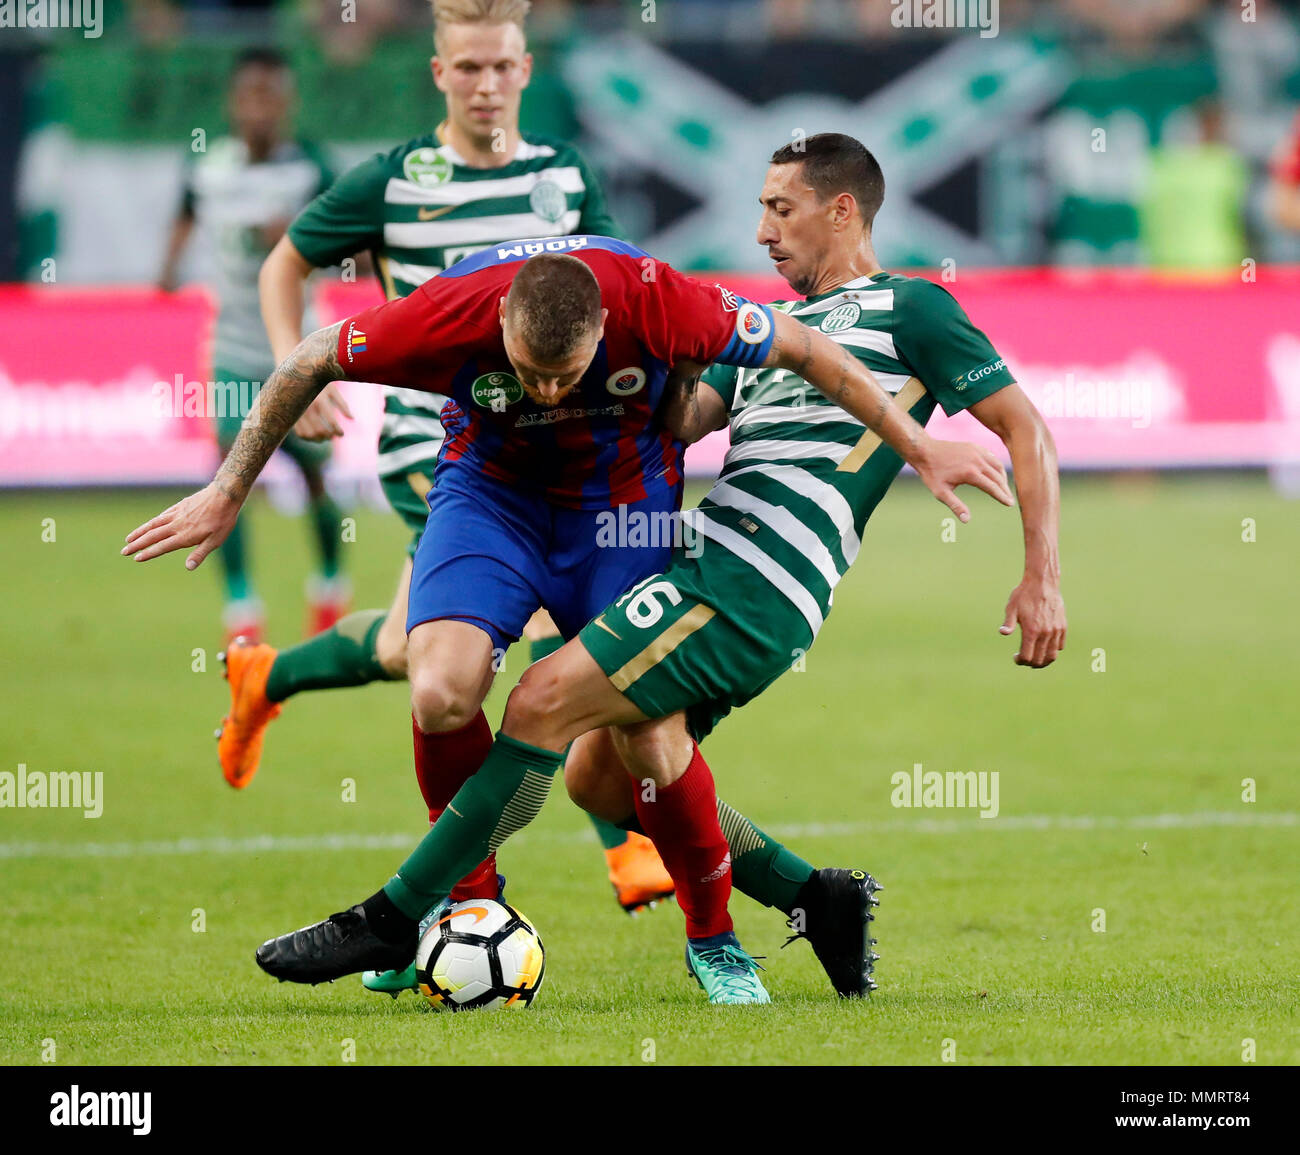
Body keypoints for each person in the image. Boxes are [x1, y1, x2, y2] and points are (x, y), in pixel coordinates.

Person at [239, 133, 1064, 1005]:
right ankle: (814, 895)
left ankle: (397, 912)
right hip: (703, 552)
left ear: (843, 208)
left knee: (537, 701)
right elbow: (683, 418)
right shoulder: (771, 328)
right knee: (608, 773)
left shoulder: (913, 306)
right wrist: (656, 354)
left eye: (779, 209)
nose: (761, 232)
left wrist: (1038, 570)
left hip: (757, 578)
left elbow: (1027, 429)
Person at [228, 0, 674, 913]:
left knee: (408, 649)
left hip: (550, 438)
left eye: (502, 67)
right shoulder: (393, 181)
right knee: (551, 626)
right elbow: (287, 262)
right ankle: (624, 845)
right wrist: (297, 369)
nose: (486, 86)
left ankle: (266, 674)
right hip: (438, 446)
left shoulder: (564, 174)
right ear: (440, 74)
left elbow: (617, 289)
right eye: (467, 69)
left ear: (525, 69)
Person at [157, 47, 347, 644]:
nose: (260, 108)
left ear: (286, 104)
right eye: (250, 96)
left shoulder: (313, 167)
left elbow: (354, 248)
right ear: (235, 103)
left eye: (271, 96)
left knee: (313, 476)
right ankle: (241, 610)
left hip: (298, 349)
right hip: (234, 346)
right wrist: (167, 267)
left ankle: (328, 586)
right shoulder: (208, 167)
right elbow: (186, 213)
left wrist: (300, 239)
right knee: (226, 475)